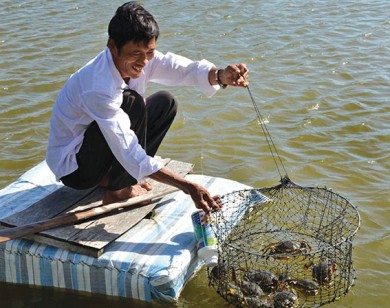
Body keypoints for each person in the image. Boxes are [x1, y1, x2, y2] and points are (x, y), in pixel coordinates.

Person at [46, 1, 249, 213]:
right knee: (132, 103)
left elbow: (180, 69)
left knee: (165, 103)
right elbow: (127, 148)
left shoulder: (142, 59)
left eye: (149, 52)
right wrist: (187, 186)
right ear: (113, 46)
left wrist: (220, 76)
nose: (144, 62)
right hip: (76, 170)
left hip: (98, 153)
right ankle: (118, 191)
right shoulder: (97, 85)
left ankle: (116, 179)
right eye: (136, 53)